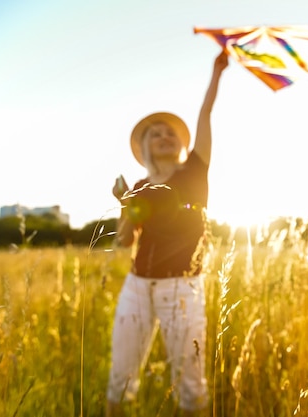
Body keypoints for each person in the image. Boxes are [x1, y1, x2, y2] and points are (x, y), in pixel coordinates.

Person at [106, 51, 228, 417]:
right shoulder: (140, 187)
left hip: (183, 288)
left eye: (169, 133)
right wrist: (124, 203)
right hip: (137, 287)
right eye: (154, 134)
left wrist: (216, 71)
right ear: (144, 149)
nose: (162, 136)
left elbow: (205, 115)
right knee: (120, 377)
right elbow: (125, 241)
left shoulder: (194, 170)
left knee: (190, 384)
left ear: (181, 143)